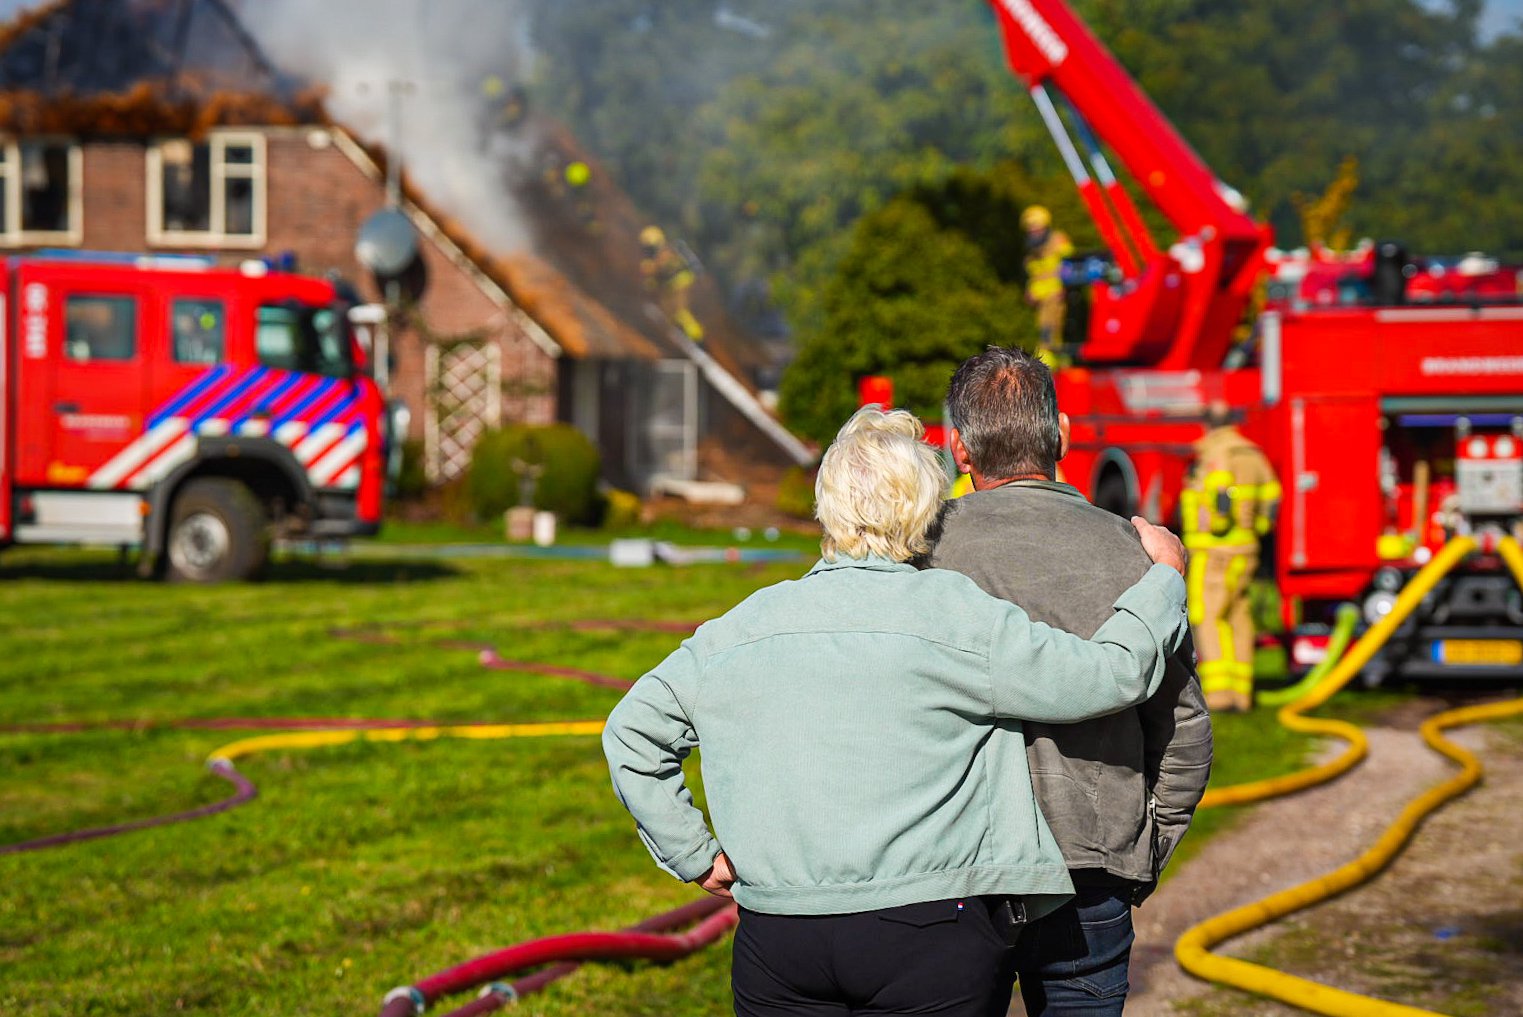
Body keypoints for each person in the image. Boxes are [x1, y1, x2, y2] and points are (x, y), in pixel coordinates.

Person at [604, 405, 1192, 1017]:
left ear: (825, 503)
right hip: (929, 930)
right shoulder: (953, 615)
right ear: (925, 509)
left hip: (776, 934)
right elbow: (1106, 676)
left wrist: (694, 854)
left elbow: (631, 733)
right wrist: (1163, 579)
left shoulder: (741, 626)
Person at [924, 347, 1213, 1016]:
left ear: (958, 449)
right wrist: (1145, 844)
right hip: (1093, 866)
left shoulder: (922, 555)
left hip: (953, 873)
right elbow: (1183, 728)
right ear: (1063, 434)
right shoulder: (1136, 552)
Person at [1181, 400, 1281, 712]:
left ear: (1208, 424)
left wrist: (1219, 524)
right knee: (1239, 616)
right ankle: (1242, 693)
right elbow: (1272, 497)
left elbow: (1220, 495)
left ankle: (1221, 695)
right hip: (1247, 549)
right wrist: (1258, 527)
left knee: (1208, 616)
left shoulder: (1217, 453)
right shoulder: (1252, 454)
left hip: (1215, 550)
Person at [1021, 205, 1073, 362]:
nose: (1033, 231)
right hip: (1039, 299)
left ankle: (1048, 364)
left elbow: (1069, 264)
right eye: (1030, 228)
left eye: (1036, 227)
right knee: (1044, 331)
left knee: (1050, 332)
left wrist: (1065, 287)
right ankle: (1054, 361)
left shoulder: (1058, 240)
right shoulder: (1032, 249)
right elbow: (1035, 274)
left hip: (1055, 294)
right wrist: (1031, 290)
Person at [639, 225, 704, 341]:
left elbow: (691, 263)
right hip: (670, 286)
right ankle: (676, 337)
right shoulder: (650, 263)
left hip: (681, 281)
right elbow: (653, 282)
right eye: (647, 248)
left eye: (651, 248)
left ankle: (698, 338)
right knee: (668, 314)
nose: (649, 251)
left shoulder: (672, 250)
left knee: (680, 311)